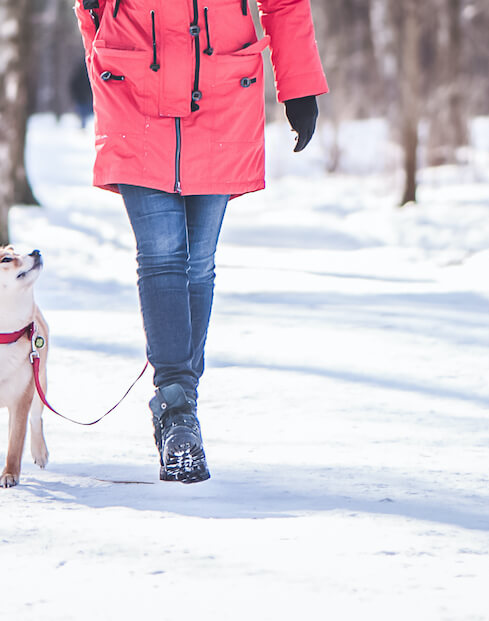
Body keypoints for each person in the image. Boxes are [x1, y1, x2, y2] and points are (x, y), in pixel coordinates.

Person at [74, 0, 328, 483]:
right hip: (133, 87)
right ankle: (176, 408)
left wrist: (299, 87)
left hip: (223, 91)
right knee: (162, 253)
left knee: (196, 262)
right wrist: (102, 53)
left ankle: (180, 407)